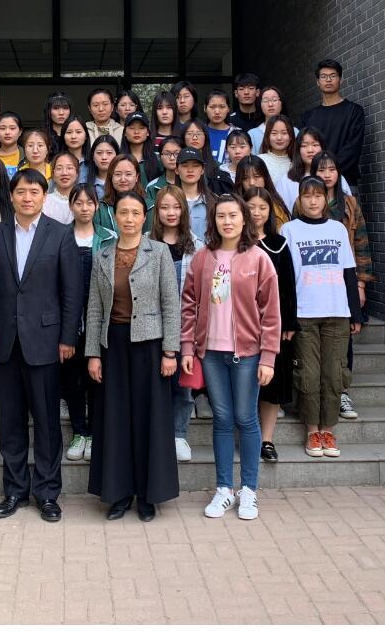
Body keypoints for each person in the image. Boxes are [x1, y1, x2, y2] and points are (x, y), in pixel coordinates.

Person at [0, 169, 83, 523]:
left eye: (34, 192)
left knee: (47, 422)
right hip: (4, 342)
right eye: (21, 191)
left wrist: (68, 338)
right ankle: (15, 490)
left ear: (43, 196)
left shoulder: (60, 234)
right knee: (11, 421)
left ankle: (48, 493)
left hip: (46, 343)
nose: (27, 197)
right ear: (12, 195)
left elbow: (72, 293)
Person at [180, 194, 281, 521]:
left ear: (244, 219)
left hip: (248, 354)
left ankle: (249, 490)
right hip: (211, 353)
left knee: (246, 418)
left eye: (233, 215)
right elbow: (189, 304)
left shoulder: (258, 258)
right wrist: (187, 347)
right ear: (213, 221)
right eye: (221, 216)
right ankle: (224, 488)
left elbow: (271, 313)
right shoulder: (203, 257)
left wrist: (268, 357)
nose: (227, 221)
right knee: (222, 419)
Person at [85, 191, 180, 522]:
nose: (128, 218)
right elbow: (94, 307)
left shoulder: (159, 252)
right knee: (115, 420)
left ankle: (147, 496)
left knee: (148, 420)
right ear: (116, 217)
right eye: (123, 212)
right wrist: (92, 354)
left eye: (135, 213)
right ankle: (119, 493)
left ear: (144, 217)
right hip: (112, 345)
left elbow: (171, 303)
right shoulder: (103, 254)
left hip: (149, 345)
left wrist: (170, 351)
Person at [279, 176, 363, 459]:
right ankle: (312, 430)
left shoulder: (338, 229)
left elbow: (349, 271)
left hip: (337, 313)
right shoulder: (289, 229)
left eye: (318, 195)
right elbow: (286, 278)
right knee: (308, 373)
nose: (313, 201)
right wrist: (288, 318)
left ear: (325, 199)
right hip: (304, 314)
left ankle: (328, 429)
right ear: (299, 200)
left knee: (333, 374)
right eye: (307, 196)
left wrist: (355, 313)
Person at [312, 150, 376, 422]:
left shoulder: (349, 204)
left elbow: (361, 243)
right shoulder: (306, 202)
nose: (326, 175)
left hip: (343, 280)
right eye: (321, 170)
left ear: (339, 173)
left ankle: (341, 392)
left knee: (344, 339)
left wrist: (360, 283)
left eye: (331, 169)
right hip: (314, 282)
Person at [243, 187, 300, 462]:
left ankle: (266, 440)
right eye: (251, 207)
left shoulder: (279, 243)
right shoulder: (234, 243)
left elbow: (288, 285)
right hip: (241, 325)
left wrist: (289, 322)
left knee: (272, 385)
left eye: (262, 207)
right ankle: (247, 436)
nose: (256, 213)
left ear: (270, 211)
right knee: (244, 383)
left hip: (273, 325)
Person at [149, 183, 202, 461]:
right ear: (156, 211)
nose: (171, 212)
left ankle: (179, 434)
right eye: (164, 207)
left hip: (185, 326)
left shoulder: (198, 245)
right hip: (151, 326)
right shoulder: (145, 242)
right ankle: (156, 433)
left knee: (182, 385)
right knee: (153, 384)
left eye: (176, 207)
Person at [62, 183, 114, 464]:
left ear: (97, 206)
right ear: (71, 206)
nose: (84, 208)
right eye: (79, 203)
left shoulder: (108, 237)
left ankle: (94, 433)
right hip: (70, 321)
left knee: (96, 378)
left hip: (101, 319)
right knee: (72, 378)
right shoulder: (60, 237)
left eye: (89, 203)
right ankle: (79, 432)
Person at [300, 60, 366, 188]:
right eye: (324, 76)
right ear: (317, 82)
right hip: (315, 186)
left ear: (341, 79)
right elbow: (304, 149)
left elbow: (353, 148)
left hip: (345, 182)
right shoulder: (308, 117)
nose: (328, 80)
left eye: (333, 76)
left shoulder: (354, 111)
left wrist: (327, 171)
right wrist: (319, 174)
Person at [276, 127, 351, 208]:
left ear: (322, 148)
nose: (310, 150)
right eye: (304, 145)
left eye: (315, 145)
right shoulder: (286, 182)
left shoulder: (335, 178)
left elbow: (349, 208)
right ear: (298, 150)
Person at [96, 154, 151, 235]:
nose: (123, 179)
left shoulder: (150, 206)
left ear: (137, 177)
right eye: (118, 174)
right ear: (111, 177)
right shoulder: (100, 209)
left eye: (128, 174)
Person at [235, 157, 292, 230]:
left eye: (256, 176)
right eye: (245, 178)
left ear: (265, 177)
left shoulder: (276, 206)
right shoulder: (234, 205)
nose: (251, 183)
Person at [175, 148, 214, 243]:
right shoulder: (168, 200)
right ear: (176, 170)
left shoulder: (213, 201)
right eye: (185, 166)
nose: (190, 170)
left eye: (195, 166)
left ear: (202, 170)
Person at [119, 111, 162, 184]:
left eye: (141, 128)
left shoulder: (158, 159)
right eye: (132, 128)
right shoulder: (118, 159)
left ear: (147, 132)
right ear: (125, 133)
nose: (136, 132)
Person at [247, 86, 292, 152]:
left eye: (274, 100)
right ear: (260, 105)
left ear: (282, 104)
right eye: (265, 101)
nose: (270, 104)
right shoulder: (252, 134)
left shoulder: (294, 131)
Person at [257, 114, 296, 184]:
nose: (279, 138)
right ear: (267, 136)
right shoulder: (259, 160)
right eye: (274, 133)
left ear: (291, 136)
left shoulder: (297, 161)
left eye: (284, 133)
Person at [203, 90, 238, 165]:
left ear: (228, 109)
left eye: (222, 107)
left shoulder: (237, 133)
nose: (217, 111)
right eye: (212, 107)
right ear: (205, 108)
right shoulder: (199, 132)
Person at [43, 150, 77, 225]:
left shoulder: (83, 202)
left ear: (77, 173)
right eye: (59, 168)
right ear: (53, 174)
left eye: (69, 168)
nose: (64, 173)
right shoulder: (44, 201)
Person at [60, 115, 92, 183]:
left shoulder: (94, 162)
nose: (73, 136)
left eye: (78, 132)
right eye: (69, 132)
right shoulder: (56, 162)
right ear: (63, 136)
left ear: (86, 136)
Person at [0, 111, 24, 178]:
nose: (7, 132)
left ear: (20, 132)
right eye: (2, 128)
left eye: (12, 128)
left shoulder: (28, 156)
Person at [43, 92, 72, 156]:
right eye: (56, 108)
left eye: (65, 108)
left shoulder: (75, 135)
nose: (61, 113)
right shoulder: (42, 136)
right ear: (48, 111)